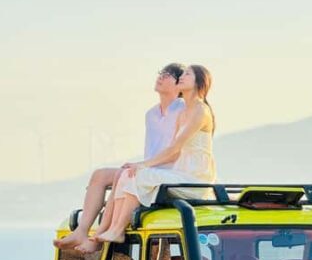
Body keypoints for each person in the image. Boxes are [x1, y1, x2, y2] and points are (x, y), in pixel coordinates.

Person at [53, 63, 186, 250]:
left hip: (168, 171)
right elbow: (152, 149)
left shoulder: (183, 110)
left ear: (180, 85)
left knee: (123, 175)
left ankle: (99, 237)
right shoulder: (151, 114)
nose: (161, 76)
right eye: (161, 72)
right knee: (100, 175)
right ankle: (82, 231)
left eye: (169, 74)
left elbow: (176, 151)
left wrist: (142, 166)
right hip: (149, 167)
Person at [91, 65, 216, 245]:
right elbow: (173, 150)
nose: (182, 76)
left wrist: (143, 164)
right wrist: (140, 166)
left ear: (199, 82)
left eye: (187, 74)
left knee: (140, 174)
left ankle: (117, 229)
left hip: (195, 179)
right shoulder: (184, 113)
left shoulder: (201, 110)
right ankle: (114, 229)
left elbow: (175, 147)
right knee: (128, 174)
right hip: (181, 174)